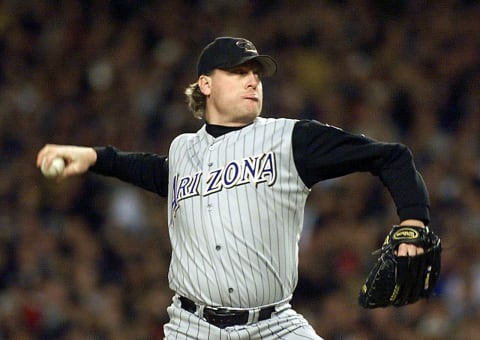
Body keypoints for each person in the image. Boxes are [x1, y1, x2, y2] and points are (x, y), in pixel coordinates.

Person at [37, 37, 430, 339]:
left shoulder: (289, 139)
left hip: (274, 325)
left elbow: (390, 156)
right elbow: (150, 170)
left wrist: (414, 220)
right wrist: (93, 156)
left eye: (256, 73)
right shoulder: (183, 151)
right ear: (205, 84)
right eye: (239, 72)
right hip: (192, 328)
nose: (253, 79)